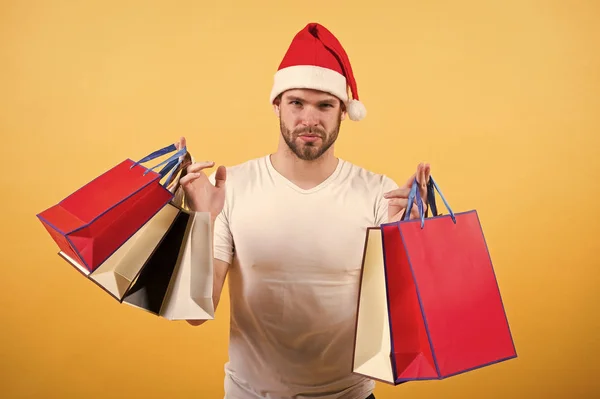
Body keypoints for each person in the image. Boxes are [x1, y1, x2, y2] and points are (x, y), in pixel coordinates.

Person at [179, 22, 431, 399]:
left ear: (343, 111)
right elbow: (196, 315)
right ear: (277, 104)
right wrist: (203, 220)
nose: (309, 120)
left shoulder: (380, 194)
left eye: (325, 105)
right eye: (296, 102)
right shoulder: (231, 188)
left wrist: (413, 237)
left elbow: (405, 319)